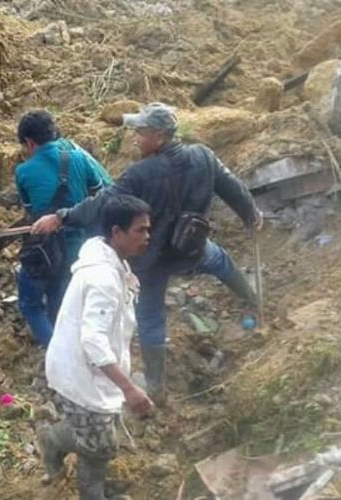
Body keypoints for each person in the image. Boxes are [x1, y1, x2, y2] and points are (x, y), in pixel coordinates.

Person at [32, 102, 262, 405]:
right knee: (220, 261)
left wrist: (61, 216)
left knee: (151, 319)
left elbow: (102, 205)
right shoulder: (202, 156)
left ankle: (156, 388)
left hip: (150, 259)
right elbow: (232, 187)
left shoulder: (139, 174)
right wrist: (251, 215)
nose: (136, 137)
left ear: (160, 135)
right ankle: (254, 300)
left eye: (141, 132)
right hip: (191, 247)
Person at [41, 194, 154, 499]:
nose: (147, 237)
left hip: (87, 369)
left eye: (148, 230)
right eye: (140, 230)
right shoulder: (103, 277)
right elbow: (93, 341)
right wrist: (129, 388)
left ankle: (92, 490)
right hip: (79, 372)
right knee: (101, 444)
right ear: (116, 232)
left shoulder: (112, 262)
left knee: (99, 442)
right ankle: (53, 439)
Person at [14, 110, 111, 346]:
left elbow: (29, 211)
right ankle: (67, 340)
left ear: (29, 142)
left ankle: (55, 349)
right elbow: (98, 192)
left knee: (30, 303)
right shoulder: (78, 159)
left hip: (44, 250)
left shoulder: (23, 172)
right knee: (63, 299)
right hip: (80, 247)